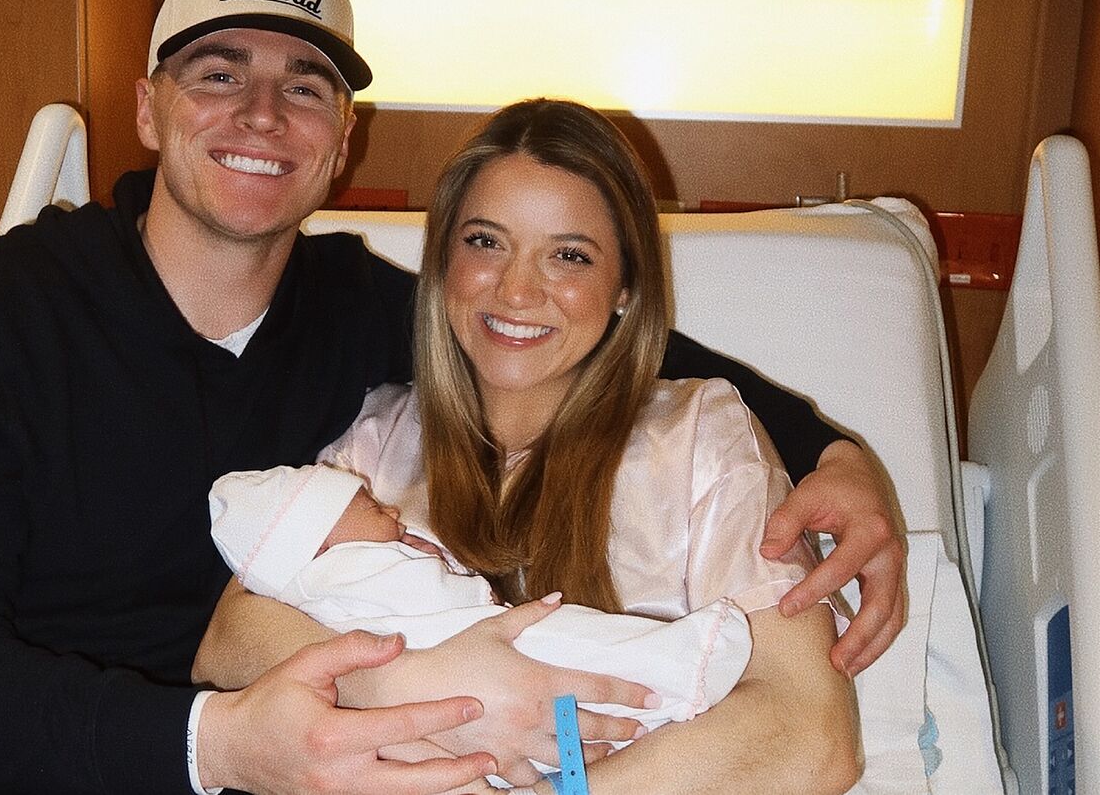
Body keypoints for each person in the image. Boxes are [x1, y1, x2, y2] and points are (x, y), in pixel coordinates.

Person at [0, 0, 898, 794]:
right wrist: (216, 742)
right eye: (218, 72)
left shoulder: (361, 315)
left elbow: (577, 327)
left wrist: (831, 448)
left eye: (305, 86)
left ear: (344, 141)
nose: (262, 114)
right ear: (148, 107)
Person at [197, 98, 862, 793]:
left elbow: (813, 736)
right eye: (485, 241)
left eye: (569, 256)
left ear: (625, 287)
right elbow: (228, 640)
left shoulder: (701, 437)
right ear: (443, 261)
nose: (517, 289)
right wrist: (411, 684)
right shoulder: (377, 439)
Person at [208, 461, 752, 762]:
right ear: (319, 543)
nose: (392, 509)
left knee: (574, 684)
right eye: (370, 508)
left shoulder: (340, 566)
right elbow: (424, 603)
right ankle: (683, 663)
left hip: (479, 681)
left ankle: (660, 697)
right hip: (473, 651)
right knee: (578, 648)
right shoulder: (339, 573)